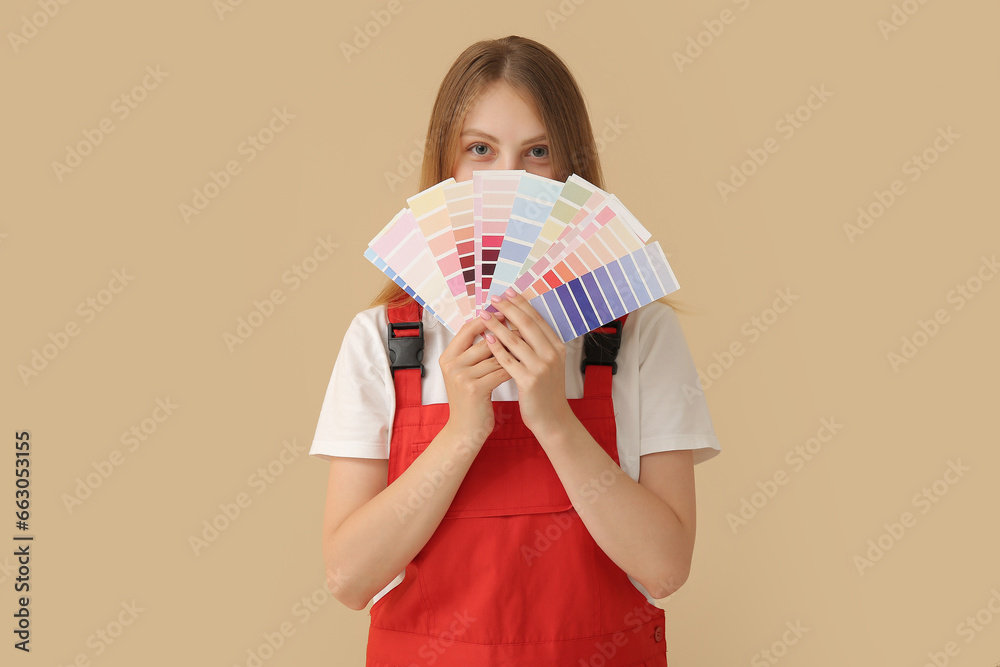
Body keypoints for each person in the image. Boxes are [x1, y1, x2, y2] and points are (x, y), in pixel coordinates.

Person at [309, 35, 721, 666]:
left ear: (570, 171)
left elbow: (665, 568)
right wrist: (460, 433)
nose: (508, 179)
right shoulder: (386, 342)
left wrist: (555, 422)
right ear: (448, 169)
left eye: (537, 152)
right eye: (481, 150)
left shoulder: (640, 336)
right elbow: (348, 579)